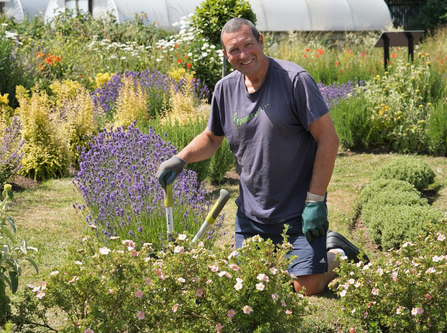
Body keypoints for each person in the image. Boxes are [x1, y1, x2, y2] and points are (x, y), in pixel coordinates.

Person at [156, 17, 365, 296]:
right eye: (234, 50)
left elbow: (328, 139)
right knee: (252, 284)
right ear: (225, 54)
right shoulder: (225, 89)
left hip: (298, 211)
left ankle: (336, 251)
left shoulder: (294, 80)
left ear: (261, 41)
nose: (243, 55)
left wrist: (315, 201)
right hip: (252, 214)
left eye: (248, 44)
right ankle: (296, 259)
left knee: (306, 287)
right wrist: (180, 159)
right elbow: (211, 138)